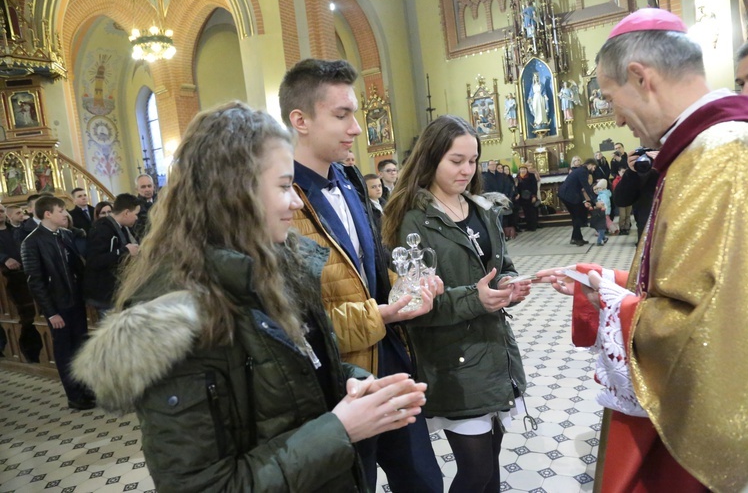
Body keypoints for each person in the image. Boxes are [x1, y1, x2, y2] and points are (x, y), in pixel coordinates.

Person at [72, 102, 429, 492]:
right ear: (233, 192)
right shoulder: (171, 318)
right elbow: (203, 485)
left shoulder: (278, 266)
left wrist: (354, 382)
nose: (297, 202)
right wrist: (340, 428)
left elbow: (294, 371)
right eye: (282, 186)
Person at [537, 9, 748, 492]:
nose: (614, 117)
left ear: (641, 77)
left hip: (700, 432)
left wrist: (621, 310)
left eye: (610, 98)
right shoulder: (699, 150)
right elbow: (694, 281)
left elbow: (714, 325)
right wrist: (611, 287)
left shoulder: (721, 154)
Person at [279, 59, 443, 492]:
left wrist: (408, 286)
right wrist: (381, 314)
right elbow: (296, 325)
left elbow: (369, 262)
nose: (356, 128)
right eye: (341, 115)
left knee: (423, 478)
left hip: (388, 356)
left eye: (355, 113)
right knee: (357, 482)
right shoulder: (283, 205)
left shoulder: (349, 179)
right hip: (342, 380)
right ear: (300, 120)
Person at [381, 115, 533, 493]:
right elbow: (413, 305)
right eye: (456, 160)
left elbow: (502, 266)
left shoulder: (481, 210)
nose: (467, 170)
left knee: (491, 471)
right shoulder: (414, 221)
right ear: (431, 158)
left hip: (495, 351)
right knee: (476, 472)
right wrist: (476, 299)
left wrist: (508, 284)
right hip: (453, 360)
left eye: (473, 160)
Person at [21, 196, 92, 410]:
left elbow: (77, 269)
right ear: (47, 214)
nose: (65, 214)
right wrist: (51, 313)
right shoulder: (31, 242)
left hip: (75, 302)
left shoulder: (65, 235)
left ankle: (86, 388)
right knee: (65, 351)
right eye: (60, 210)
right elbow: (36, 282)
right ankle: (74, 395)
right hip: (58, 306)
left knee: (81, 348)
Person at [84, 193, 141, 315]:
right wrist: (124, 251)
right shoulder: (102, 229)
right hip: (105, 294)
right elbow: (94, 261)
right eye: (135, 214)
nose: (137, 218)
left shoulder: (122, 227)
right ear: (126, 213)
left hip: (117, 291)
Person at [0, 203, 42, 362]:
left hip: (25, 278)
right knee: (22, 318)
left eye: (2, 211)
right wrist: (4, 259)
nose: (0, 214)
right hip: (7, 283)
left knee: (32, 317)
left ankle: (35, 351)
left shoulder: (16, 231)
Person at [558, 158, 597, 245]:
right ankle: (576, 239)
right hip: (568, 195)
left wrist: (584, 201)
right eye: (594, 167)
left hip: (567, 194)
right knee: (578, 215)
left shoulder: (580, 170)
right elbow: (586, 187)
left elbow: (578, 188)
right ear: (590, 165)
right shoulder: (583, 171)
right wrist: (595, 200)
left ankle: (576, 238)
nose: (594, 170)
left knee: (576, 216)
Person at [515, 163, 538, 231]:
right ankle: (528, 226)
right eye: (521, 169)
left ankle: (533, 226)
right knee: (526, 212)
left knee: (531, 212)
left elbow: (534, 186)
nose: (523, 170)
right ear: (519, 170)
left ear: (526, 170)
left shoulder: (531, 176)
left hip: (530, 196)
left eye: (524, 169)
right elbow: (517, 187)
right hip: (522, 197)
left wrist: (534, 196)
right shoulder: (518, 177)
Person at [133, 174, 157, 240]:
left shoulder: (162, 201)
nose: (147, 189)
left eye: (149, 186)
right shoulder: (134, 205)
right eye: (143, 187)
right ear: (137, 189)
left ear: (153, 187)